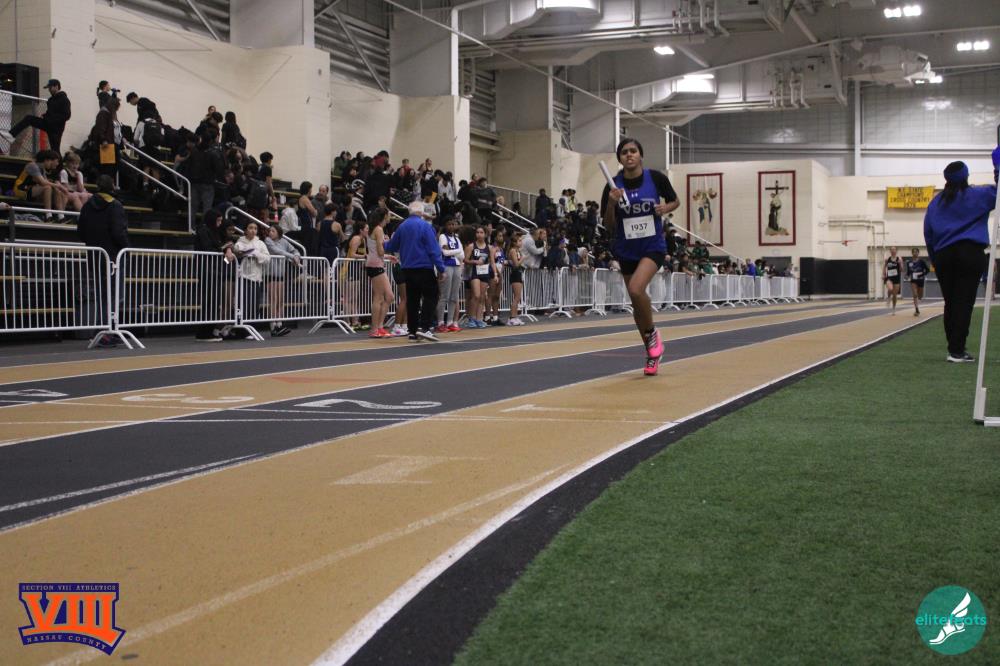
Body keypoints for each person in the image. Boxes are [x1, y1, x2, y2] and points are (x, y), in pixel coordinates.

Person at [601, 136, 679, 376]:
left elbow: (675, 200)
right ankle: (651, 353)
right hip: (626, 249)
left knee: (636, 290)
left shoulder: (655, 178)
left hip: (652, 246)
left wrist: (666, 208)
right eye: (624, 152)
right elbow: (608, 225)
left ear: (640, 155)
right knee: (636, 303)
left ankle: (653, 333)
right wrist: (612, 204)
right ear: (620, 158)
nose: (629, 155)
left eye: (633, 151)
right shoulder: (612, 185)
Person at [924, 158, 997, 362]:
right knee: (964, 302)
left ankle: (954, 348)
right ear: (966, 176)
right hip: (970, 253)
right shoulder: (978, 194)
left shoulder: (935, 203)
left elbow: (928, 234)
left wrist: (935, 259)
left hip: (943, 255)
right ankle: (957, 350)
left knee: (951, 302)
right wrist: (998, 169)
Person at [384, 201, 446, 342]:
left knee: (412, 300)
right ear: (421, 212)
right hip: (424, 267)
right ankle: (425, 327)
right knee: (431, 296)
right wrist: (441, 268)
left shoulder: (402, 226)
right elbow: (433, 249)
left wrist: (381, 243)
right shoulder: (426, 226)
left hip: (407, 269)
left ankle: (412, 331)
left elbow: (393, 246)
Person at [194, 209, 237, 341]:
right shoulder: (203, 230)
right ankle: (203, 332)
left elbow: (220, 247)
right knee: (209, 300)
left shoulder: (215, 232)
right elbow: (208, 248)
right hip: (206, 269)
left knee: (214, 301)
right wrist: (223, 248)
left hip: (215, 269)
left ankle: (209, 330)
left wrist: (226, 248)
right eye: (218, 221)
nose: (219, 223)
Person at [2, 79, 71, 154]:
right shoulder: (51, 100)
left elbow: (67, 115)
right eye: (48, 88)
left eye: (50, 87)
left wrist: (51, 119)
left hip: (56, 128)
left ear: (56, 86)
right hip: (47, 123)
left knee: (55, 149)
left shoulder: (64, 99)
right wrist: (45, 116)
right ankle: (11, 134)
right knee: (29, 118)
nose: (49, 90)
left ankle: (58, 161)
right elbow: (50, 112)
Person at [77, 175, 128, 259]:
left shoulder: (87, 205)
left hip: (93, 255)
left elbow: (81, 232)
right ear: (112, 186)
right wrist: (126, 247)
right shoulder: (115, 205)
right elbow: (118, 233)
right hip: (113, 255)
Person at [233, 220, 271, 335]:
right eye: (250, 228)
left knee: (254, 304)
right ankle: (241, 330)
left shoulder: (260, 243)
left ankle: (251, 328)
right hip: (243, 277)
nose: (253, 230)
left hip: (256, 278)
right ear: (245, 230)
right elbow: (236, 250)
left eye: (255, 228)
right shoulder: (240, 241)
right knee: (243, 303)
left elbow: (267, 258)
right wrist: (241, 251)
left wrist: (256, 254)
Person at [263, 225, 297, 337]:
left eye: (273, 231)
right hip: (270, 274)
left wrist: (296, 256)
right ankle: (273, 326)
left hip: (281, 274)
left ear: (278, 232)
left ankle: (280, 324)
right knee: (273, 300)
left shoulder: (284, 241)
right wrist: (291, 256)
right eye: (270, 231)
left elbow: (295, 250)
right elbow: (276, 251)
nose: (270, 233)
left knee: (280, 300)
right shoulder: (267, 240)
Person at [13, 150, 65, 220]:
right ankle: (48, 215)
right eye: (53, 161)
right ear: (46, 160)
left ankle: (61, 216)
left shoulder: (42, 169)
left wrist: (57, 188)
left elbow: (45, 182)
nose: (56, 164)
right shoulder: (32, 166)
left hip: (30, 189)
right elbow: (43, 182)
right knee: (47, 187)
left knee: (55, 189)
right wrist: (58, 186)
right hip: (20, 189)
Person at [366, 209, 393, 338]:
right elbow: (380, 251)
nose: (390, 217)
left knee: (389, 296)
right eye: (389, 215)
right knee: (378, 297)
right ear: (384, 216)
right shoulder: (378, 229)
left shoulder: (374, 229)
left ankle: (380, 326)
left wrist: (388, 256)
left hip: (376, 264)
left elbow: (377, 251)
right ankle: (374, 329)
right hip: (375, 265)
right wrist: (388, 244)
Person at [436, 215, 464, 333]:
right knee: (444, 296)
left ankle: (450, 322)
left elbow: (462, 256)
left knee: (454, 296)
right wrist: (458, 251)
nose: (452, 226)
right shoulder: (442, 237)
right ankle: (440, 322)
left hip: (457, 266)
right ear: (445, 225)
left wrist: (454, 252)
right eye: (449, 224)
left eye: (453, 224)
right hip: (446, 265)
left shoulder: (457, 238)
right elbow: (445, 253)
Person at [464, 226, 495, 329]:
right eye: (477, 232)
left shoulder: (489, 248)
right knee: (476, 295)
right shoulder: (471, 246)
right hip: (475, 273)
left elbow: (492, 262)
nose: (479, 234)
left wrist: (495, 274)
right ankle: (471, 318)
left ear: (485, 234)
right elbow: (465, 260)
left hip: (485, 273)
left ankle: (479, 319)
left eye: (481, 232)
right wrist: (474, 261)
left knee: (482, 297)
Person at [506, 230, 526, 326]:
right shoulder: (513, 251)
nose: (521, 242)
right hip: (515, 274)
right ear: (514, 243)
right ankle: (512, 318)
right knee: (517, 297)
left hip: (519, 273)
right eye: (519, 241)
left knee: (518, 297)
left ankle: (515, 316)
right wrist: (523, 258)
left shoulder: (518, 251)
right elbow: (516, 264)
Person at [906, 247, 930, 317]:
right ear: (912, 253)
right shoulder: (909, 262)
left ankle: (919, 299)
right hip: (913, 280)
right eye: (913, 252)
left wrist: (922, 274)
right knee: (915, 294)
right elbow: (908, 272)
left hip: (920, 279)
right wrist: (907, 276)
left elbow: (927, 270)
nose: (915, 253)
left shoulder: (921, 261)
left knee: (920, 296)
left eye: (916, 252)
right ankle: (917, 309)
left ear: (918, 253)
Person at [883, 246, 903, 315]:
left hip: (896, 278)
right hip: (889, 277)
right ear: (890, 251)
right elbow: (884, 267)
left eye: (894, 249)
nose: (893, 251)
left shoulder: (899, 259)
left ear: (896, 251)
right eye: (891, 249)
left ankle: (894, 308)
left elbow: (901, 270)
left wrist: (900, 263)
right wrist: (883, 274)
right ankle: (888, 298)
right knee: (890, 288)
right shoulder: (887, 259)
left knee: (894, 295)